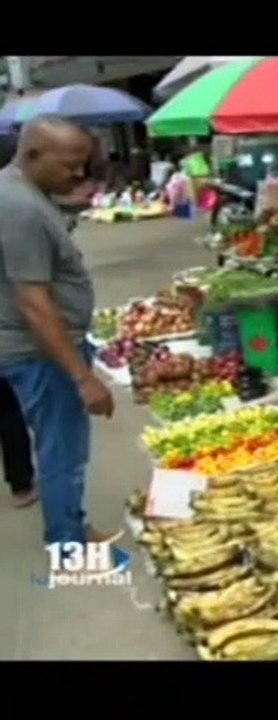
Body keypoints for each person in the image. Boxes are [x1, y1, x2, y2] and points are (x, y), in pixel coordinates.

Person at [0, 116, 116, 545]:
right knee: (62, 452)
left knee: (59, 447)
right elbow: (34, 301)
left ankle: (69, 531)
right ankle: (68, 542)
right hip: (41, 352)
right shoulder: (19, 207)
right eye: (70, 165)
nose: (78, 174)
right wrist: (83, 377)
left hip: (35, 348)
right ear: (32, 155)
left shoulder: (23, 193)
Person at [0, 132, 36, 507]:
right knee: (15, 407)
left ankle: (21, 483)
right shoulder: (13, 206)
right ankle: (23, 482)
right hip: (11, 332)